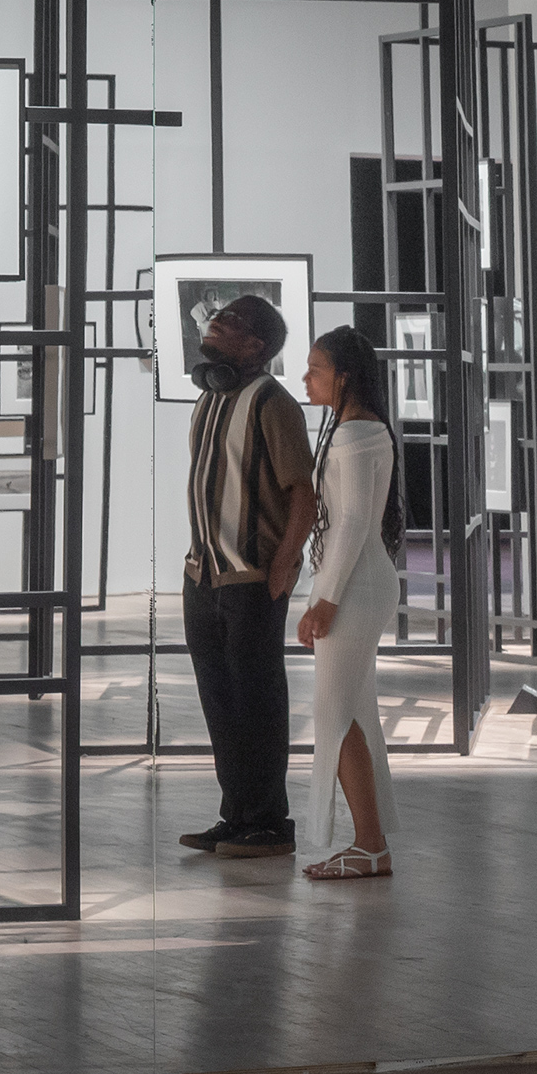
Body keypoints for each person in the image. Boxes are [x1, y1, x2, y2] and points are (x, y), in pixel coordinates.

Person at [175, 294, 316, 858]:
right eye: (218, 316)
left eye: (230, 320)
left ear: (255, 347)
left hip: (250, 579)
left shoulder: (272, 402)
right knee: (220, 701)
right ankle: (236, 816)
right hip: (204, 576)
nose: (217, 321)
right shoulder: (211, 397)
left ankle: (270, 823)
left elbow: (303, 497)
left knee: (257, 700)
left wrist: (280, 571)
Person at [294, 327, 406, 881]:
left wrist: (326, 602)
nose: (305, 378)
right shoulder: (358, 428)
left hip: (355, 589)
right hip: (359, 583)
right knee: (354, 714)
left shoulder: (353, 433)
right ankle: (372, 844)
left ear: (343, 375)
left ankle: (368, 845)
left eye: (315, 369)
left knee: (335, 717)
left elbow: (355, 523)